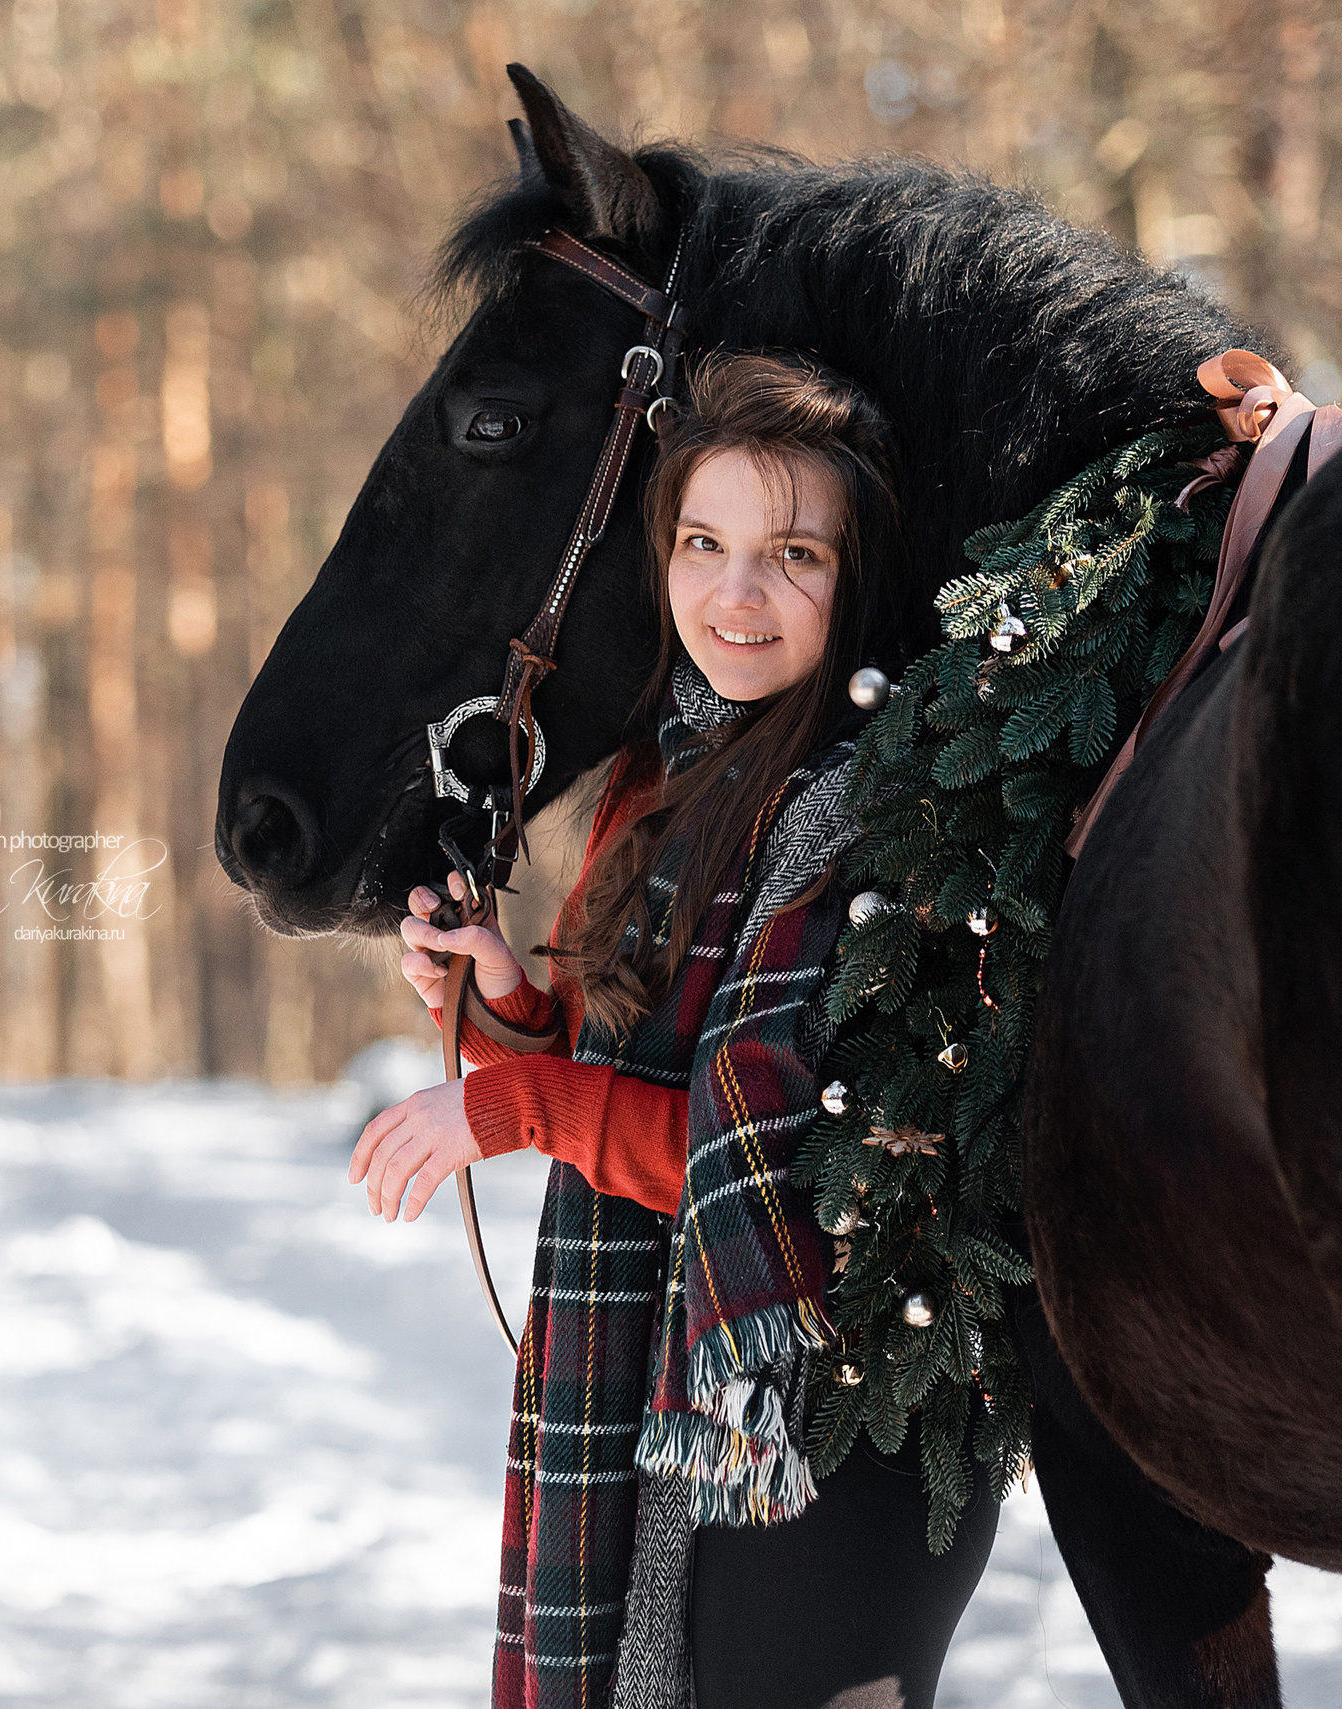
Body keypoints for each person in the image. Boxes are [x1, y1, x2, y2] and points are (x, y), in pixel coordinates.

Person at [349, 351, 999, 1709]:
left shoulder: (860, 815)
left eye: (791, 552)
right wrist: (506, 1011)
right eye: (703, 542)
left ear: (855, 572)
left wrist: (507, 1106)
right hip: (678, 1399)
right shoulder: (666, 777)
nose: (735, 594)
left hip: (826, 1430)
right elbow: (630, 1088)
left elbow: (767, 1158)